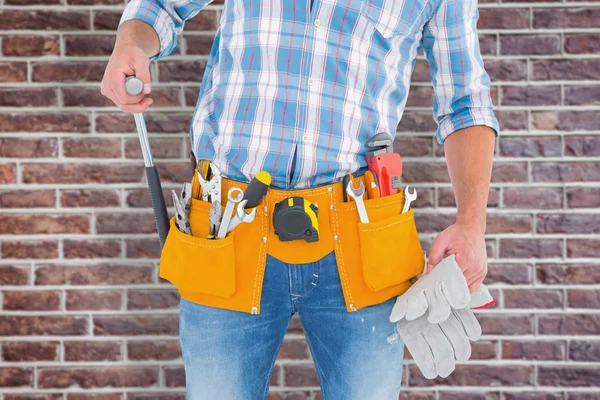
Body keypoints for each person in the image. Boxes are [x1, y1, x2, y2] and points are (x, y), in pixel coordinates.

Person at [101, 0, 499, 398]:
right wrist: (130, 42)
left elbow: (465, 103)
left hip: (361, 235)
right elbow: (158, 6)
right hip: (229, 228)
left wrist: (472, 224)